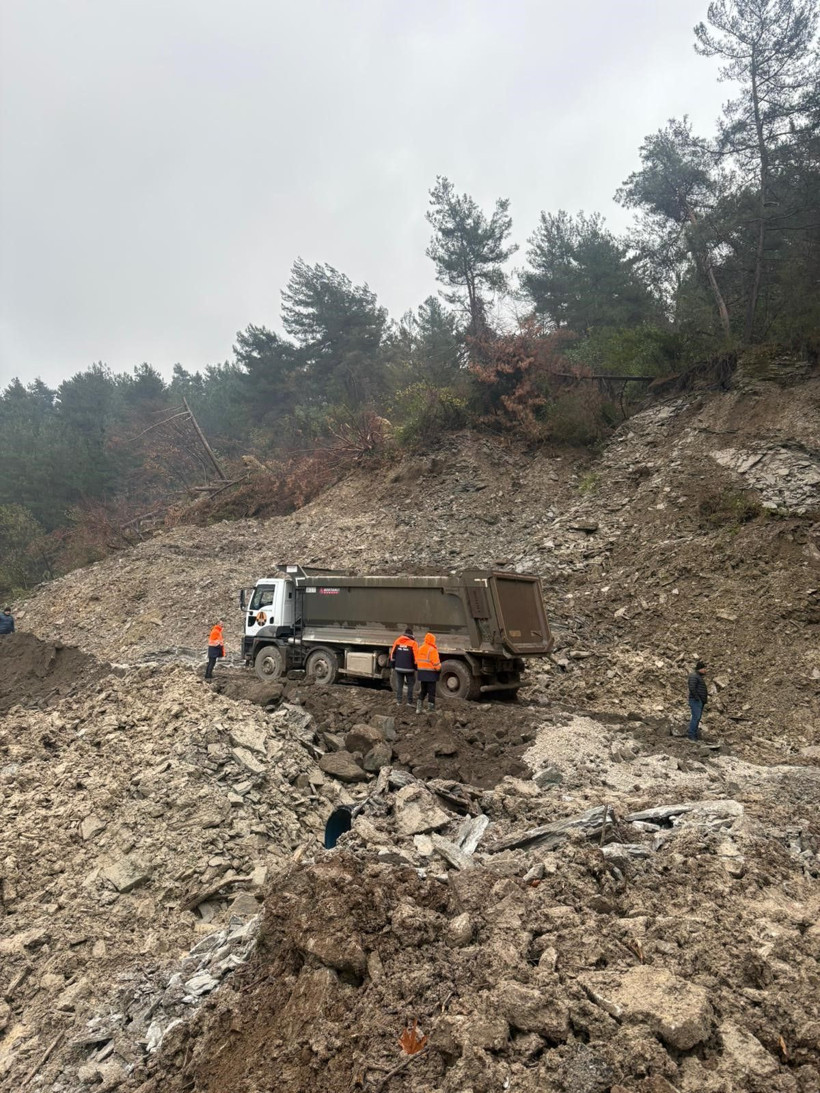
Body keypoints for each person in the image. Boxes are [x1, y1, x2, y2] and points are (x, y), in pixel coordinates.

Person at [390, 626, 418, 706]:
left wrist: (393, 666)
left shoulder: (397, 641)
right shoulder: (413, 643)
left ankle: (399, 701)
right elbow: (416, 657)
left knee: (400, 685)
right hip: (409, 669)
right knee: (410, 685)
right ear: (411, 635)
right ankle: (409, 702)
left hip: (398, 668)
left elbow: (392, 655)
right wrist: (415, 668)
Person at [416, 632, 441, 714]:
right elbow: (436, 664)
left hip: (422, 674)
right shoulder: (432, 650)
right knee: (431, 692)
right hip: (431, 674)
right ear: (432, 640)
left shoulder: (420, 648)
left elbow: (417, 661)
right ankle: (430, 709)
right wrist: (439, 668)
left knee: (423, 690)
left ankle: (418, 708)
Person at [687, 659, 708, 741]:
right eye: (704, 668)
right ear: (700, 669)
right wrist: (697, 698)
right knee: (696, 717)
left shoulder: (697, 676)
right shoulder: (694, 676)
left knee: (697, 718)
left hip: (699, 701)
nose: (705, 670)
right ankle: (691, 735)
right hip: (696, 700)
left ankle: (694, 735)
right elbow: (692, 688)